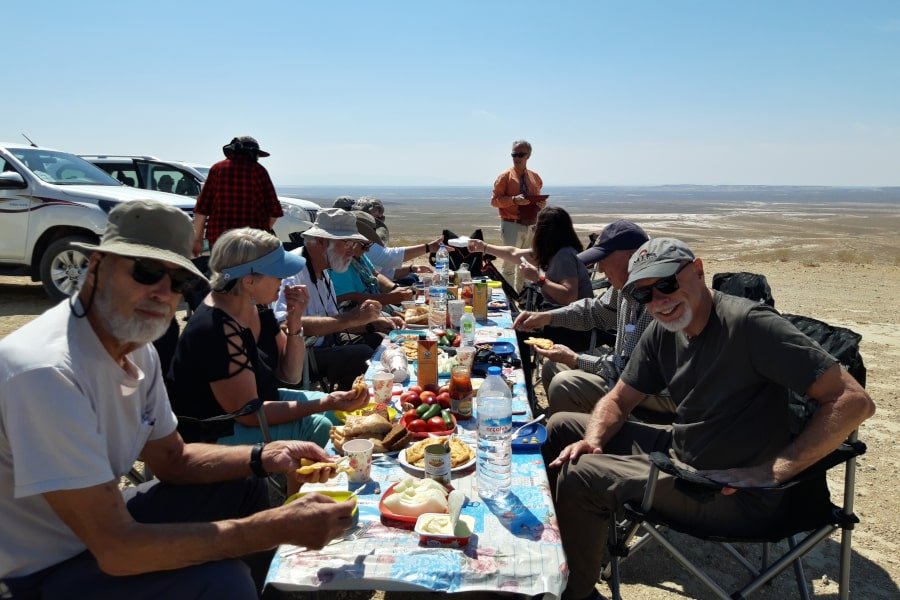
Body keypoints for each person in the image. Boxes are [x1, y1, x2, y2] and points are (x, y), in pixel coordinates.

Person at [0, 200, 356, 599]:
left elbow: (173, 460)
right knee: (223, 579)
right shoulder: (47, 372)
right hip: (37, 569)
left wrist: (265, 456)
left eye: (180, 282)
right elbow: (116, 548)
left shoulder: (136, 347)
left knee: (246, 486)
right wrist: (270, 528)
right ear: (97, 265)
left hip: (90, 531)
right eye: (147, 271)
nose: (162, 292)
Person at [542, 237, 875, 600]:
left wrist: (774, 471)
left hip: (728, 489)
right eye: (643, 295)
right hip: (683, 455)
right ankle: (569, 549)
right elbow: (618, 400)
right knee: (562, 427)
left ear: (698, 271)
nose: (659, 301)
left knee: (581, 474)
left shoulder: (749, 325)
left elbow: (853, 400)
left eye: (666, 284)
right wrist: (594, 439)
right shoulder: (662, 330)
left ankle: (576, 592)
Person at [167, 227, 369, 448]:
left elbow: (291, 374)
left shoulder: (258, 308)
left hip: (258, 405)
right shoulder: (214, 328)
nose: (283, 280)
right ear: (249, 280)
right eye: (277, 274)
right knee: (318, 426)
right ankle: (308, 480)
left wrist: (294, 323)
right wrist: (324, 401)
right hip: (213, 431)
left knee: (335, 414)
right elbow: (249, 413)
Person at [513, 220, 674, 418]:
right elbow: (594, 311)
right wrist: (546, 317)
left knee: (565, 384)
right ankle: (579, 430)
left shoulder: (655, 299)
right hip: (624, 375)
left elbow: (627, 369)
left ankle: (588, 435)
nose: (600, 268)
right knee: (553, 367)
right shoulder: (625, 289)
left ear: (632, 257)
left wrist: (576, 359)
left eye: (604, 259)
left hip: (651, 393)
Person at [275, 208, 401, 389]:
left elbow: (333, 322)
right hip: (300, 356)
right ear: (321, 241)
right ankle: (346, 404)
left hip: (325, 343)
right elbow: (284, 325)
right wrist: (352, 318)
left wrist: (372, 324)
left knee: (380, 340)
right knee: (361, 355)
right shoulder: (292, 271)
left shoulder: (324, 271)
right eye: (347, 243)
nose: (352, 251)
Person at [469, 206, 592, 349]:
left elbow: (569, 296)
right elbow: (514, 253)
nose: (533, 231)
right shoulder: (553, 252)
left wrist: (538, 279)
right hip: (559, 319)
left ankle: (521, 369)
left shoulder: (564, 256)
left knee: (510, 328)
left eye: (536, 227)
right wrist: (483, 247)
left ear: (546, 232)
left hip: (573, 329)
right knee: (510, 321)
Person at [192, 135, 283, 256]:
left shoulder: (217, 169)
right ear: (251, 154)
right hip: (252, 242)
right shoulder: (259, 171)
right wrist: (262, 232)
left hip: (220, 240)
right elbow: (274, 212)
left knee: (221, 274)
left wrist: (197, 239)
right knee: (250, 274)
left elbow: (202, 209)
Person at [330, 211, 415, 309]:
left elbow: (375, 274)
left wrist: (394, 288)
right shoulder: (339, 264)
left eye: (370, 244)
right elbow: (351, 300)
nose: (368, 249)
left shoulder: (359, 256)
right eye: (365, 245)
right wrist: (389, 298)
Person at [491, 139, 545, 292]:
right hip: (511, 224)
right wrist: (513, 200)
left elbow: (537, 199)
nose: (516, 158)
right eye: (513, 154)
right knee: (509, 264)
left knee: (528, 263)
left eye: (520, 154)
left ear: (528, 156)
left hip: (531, 225)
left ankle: (523, 296)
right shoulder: (505, 177)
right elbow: (494, 201)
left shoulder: (535, 178)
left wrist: (542, 206)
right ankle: (508, 298)